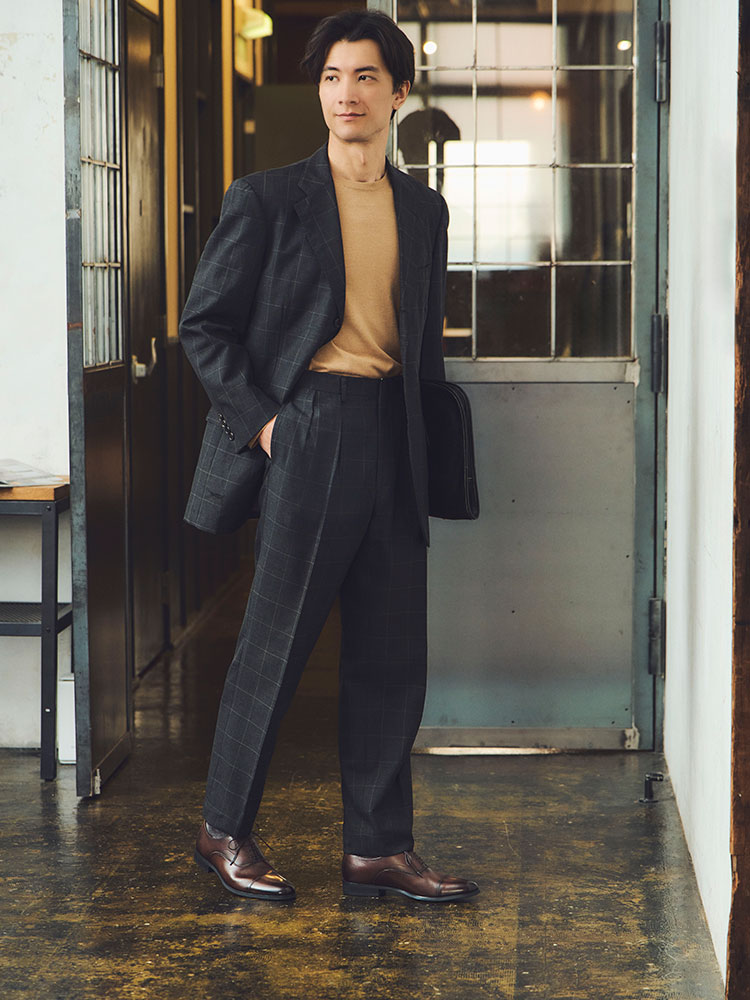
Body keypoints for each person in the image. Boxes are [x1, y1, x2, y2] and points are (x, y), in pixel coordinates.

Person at [179, 9, 479, 904]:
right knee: (274, 644)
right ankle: (222, 829)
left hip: (395, 432)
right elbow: (204, 326)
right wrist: (269, 425)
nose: (346, 94)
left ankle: (379, 848)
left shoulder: (424, 210)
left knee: (391, 652)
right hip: (311, 424)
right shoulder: (267, 198)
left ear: (399, 92)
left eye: (364, 77)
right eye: (331, 77)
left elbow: (420, 343)